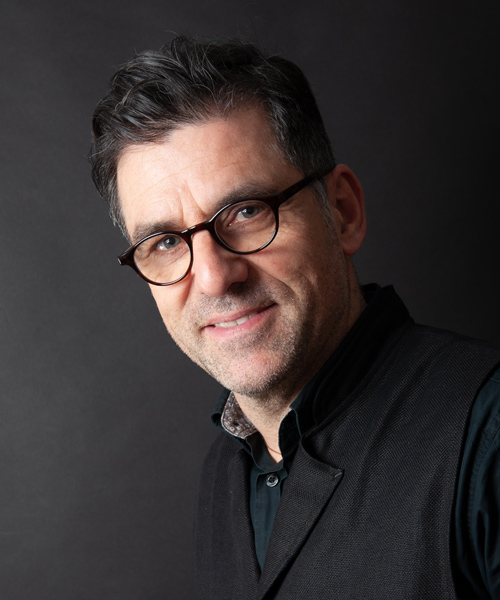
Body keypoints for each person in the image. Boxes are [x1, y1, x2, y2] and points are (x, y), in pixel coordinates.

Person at [90, 36, 500, 599]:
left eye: (246, 212)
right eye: (164, 242)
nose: (213, 277)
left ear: (343, 212)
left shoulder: (487, 435)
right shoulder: (222, 476)